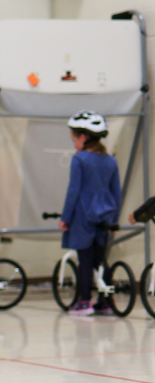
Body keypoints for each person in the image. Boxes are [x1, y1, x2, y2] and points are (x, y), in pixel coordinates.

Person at [60, 111, 121, 316]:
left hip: (84, 217)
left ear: (83, 138)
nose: (73, 143)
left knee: (84, 260)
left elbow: (73, 191)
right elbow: (116, 194)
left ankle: (84, 302)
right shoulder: (111, 161)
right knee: (100, 260)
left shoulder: (80, 159)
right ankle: (105, 301)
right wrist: (114, 221)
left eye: (74, 139)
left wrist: (65, 218)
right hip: (106, 217)